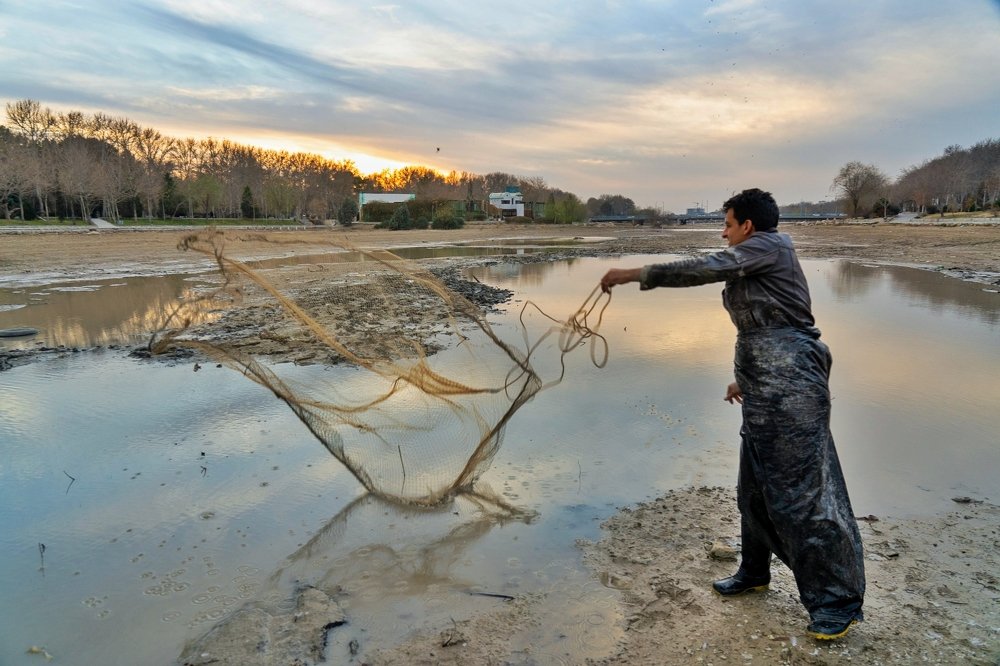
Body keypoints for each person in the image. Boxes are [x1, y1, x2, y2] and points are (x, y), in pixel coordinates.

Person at [600, 188, 865, 640]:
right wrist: (745, 378)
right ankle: (754, 572)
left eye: (727, 224)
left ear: (748, 226)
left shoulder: (768, 245)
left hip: (794, 387)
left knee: (801, 495)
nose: (723, 233)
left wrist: (635, 274)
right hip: (766, 382)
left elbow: (708, 269)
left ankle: (836, 602)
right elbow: (767, 325)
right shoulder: (759, 255)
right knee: (755, 487)